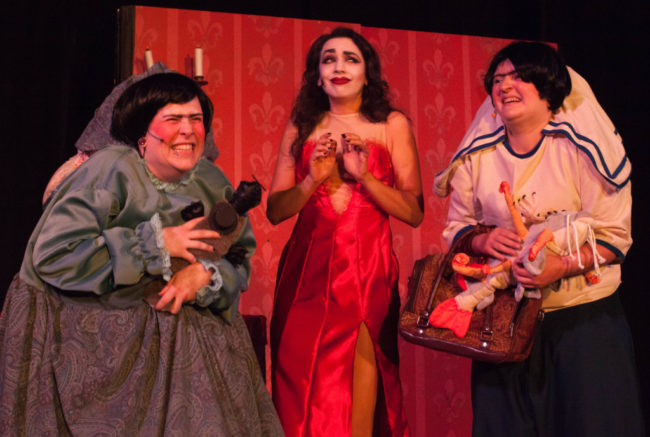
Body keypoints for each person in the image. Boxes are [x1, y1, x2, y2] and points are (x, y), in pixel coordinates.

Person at [0, 72, 284, 436]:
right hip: (99, 343)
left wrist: (205, 276)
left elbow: (236, 258)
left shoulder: (212, 181)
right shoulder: (111, 170)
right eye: (173, 119)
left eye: (195, 119)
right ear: (143, 137)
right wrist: (156, 245)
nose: (188, 130)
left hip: (191, 355)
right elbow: (54, 255)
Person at [434, 41, 644, 437]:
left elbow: (616, 239)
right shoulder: (479, 156)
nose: (505, 86)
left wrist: (560, 266)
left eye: (519, 76)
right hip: (504, 324)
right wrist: (483, 240)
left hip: (582, 322)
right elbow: (458, 227)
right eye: (498, 79)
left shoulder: (580, 150)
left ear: (548, 88)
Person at [267, 27, 423, 436]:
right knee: (298, 392)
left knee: (355, 398)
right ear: (317, 76)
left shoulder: (392, 125)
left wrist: (366, 178)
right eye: (329, 59)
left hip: (364, 276)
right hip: (304, 278)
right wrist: (311, 181)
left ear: (367, 74)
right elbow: (275, 210)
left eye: (351, 59)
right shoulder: (300, 126)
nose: (339, 66)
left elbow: (415, 212)